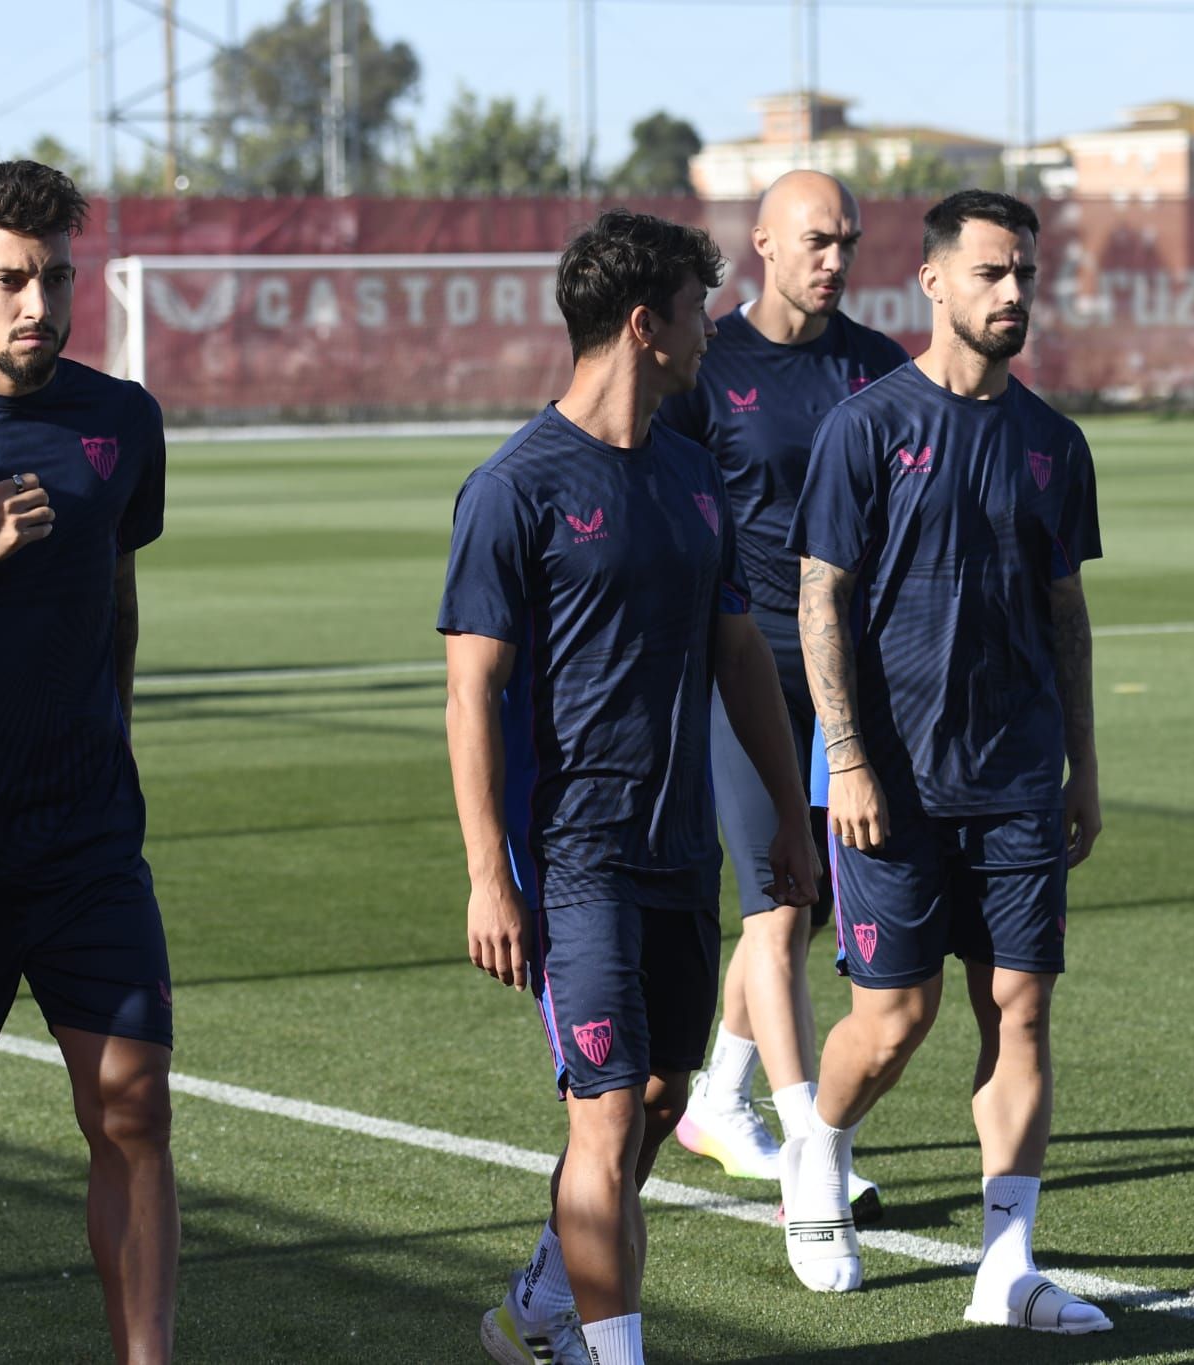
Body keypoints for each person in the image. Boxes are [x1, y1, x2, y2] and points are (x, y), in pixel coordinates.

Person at [443, 210, 817, 1365]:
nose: (715, 332)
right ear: (645, 327)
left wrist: (790, 820)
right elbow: (469, 695)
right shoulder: (514, 487)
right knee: (603, 1112)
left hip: (679, 849)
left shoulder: (692, 473)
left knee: (657, 1096)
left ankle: (543, 1300)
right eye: (699, 311)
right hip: (575, 856)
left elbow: (740, 652)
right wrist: (486, 880)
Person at [779, 188, 1111, 1335]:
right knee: (894, 1018)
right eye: (990, 273)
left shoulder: (1053, 444)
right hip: (893, 782)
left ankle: (1003, 1270)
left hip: (1018, 778)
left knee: (1019, 1013)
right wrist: (847, 759)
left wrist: (1083, 762)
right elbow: (819, 594)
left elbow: (1065, 611)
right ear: (933, 283)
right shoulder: (864, 428)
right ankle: (816, 1151)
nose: (1013, 293)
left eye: (1023, 273)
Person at [0, 161, 175, 1363]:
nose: (39, 303)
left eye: (57, 276)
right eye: (10, 278)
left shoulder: (120, 419)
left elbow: (113, 592)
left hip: (82, 840)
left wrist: (106, 731)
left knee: (132, 1110)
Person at [657, 171, 906, 1219]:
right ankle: (811, 1143)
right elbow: (660, 505)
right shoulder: (706, 365)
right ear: (760, 241)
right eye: (814, 240)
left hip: (849, 683)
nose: (834, 260)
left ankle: (718, 1097)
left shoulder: (880, 365)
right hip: (739, 673)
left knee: (797, 917)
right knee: (775, 907)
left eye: (847, 241)